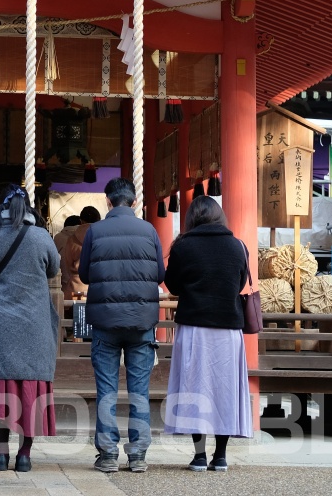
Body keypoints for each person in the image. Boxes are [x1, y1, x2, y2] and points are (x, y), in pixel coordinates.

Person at [0, 186, 60, 473]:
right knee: (30, 386)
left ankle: (0, 454)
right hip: (34, 320)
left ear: (1, 210)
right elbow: (53, 269)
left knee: (0, 386)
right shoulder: (41, 236)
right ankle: (25, 454)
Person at [78, 177, 163, 474]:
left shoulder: (96, 231)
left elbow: (85, 275)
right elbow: (160, 273)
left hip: (105, 323)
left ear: (108, 201)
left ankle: (109, 454)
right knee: (140, 389)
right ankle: (138, 454)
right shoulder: (149, 230)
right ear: (134, 202)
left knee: (107, 390)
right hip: (141, 322)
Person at [163, 195, 252, 473]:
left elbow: (173, 284)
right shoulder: (238, 245)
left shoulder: (183, 246)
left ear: (192, 219)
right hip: (228, 329)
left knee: (194, 388)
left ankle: (199, 455)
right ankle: (221, 455)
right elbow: (239, 283)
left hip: (194, 327)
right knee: (225, 390)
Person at [59, 206, 101, 300]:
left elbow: (67, 262)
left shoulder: (71, 239)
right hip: (97, 288)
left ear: (81, 221)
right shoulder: (102, 238)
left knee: (75, 313)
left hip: (75, 287)